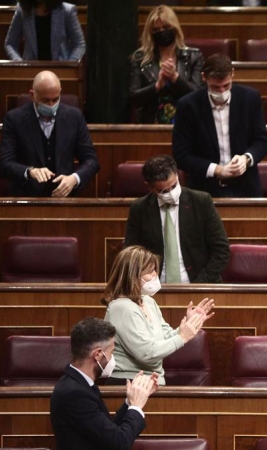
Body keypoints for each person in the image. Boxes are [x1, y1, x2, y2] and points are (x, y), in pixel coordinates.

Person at [102, 245, 214, 385]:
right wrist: (182, 336)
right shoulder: (121, 308)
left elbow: (164, 336)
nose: (156, 275)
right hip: (129, 383)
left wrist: (188, 326)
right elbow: (146, 353)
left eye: (155, 270)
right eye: (150, 271)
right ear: (133, 276)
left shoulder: (148, 301)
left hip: (152, 381)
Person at [50, 317, 158, 450]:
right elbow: (119, 442)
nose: (112, 359)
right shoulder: (75, 393)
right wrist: (136, 406)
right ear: (98, 354)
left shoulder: (80, 384)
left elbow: (107, 432)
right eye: (111, 352)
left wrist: (130, 401)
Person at [172, 53, 267, 197]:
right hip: (204, 191)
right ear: (204, 77)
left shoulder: (250, 98)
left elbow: (261, 142)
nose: (222, 91)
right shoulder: (188, 105)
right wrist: (217, 170)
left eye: (226, 85)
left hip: (245, 188)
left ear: (232, 74)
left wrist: (246, 159)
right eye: (215, 87)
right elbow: (181, 155)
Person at [124, 154, 231, 284]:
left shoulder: (201, 202)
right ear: (150, 187)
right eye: (163, 191)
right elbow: (132, 254)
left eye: (174, 186)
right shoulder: (139, 209)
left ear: (177, 176)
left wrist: (199, 285)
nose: (171, 193)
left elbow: (221, 250)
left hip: (201, 284)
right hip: (155, 289)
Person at [0, 70, 99, 197]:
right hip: (27, 198)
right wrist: (30, 171)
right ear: (32, 95)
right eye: (46, 101)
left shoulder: (74, 117)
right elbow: (4, 163)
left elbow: (91, 160)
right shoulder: (14, 119)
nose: (51, 105)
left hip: (65, 199)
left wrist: (74, 178)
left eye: (55, 99)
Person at [129, 5, 204, 124]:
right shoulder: (140, 58)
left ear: (175, 28)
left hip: (186, 123)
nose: (162, 32)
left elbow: (199, 96)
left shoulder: (193, 56)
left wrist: (175, 78)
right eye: (156, 30)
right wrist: (158, 85)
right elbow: (134, 98)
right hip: (151, 124)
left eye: (166, 27)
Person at [4, 0, 85, 61]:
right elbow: (10, 44)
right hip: (31, 70)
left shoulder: (67, 10)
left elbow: (79, 44)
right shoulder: (22, 11)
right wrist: (19, 63)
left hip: (61, 69)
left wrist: (69, 65)